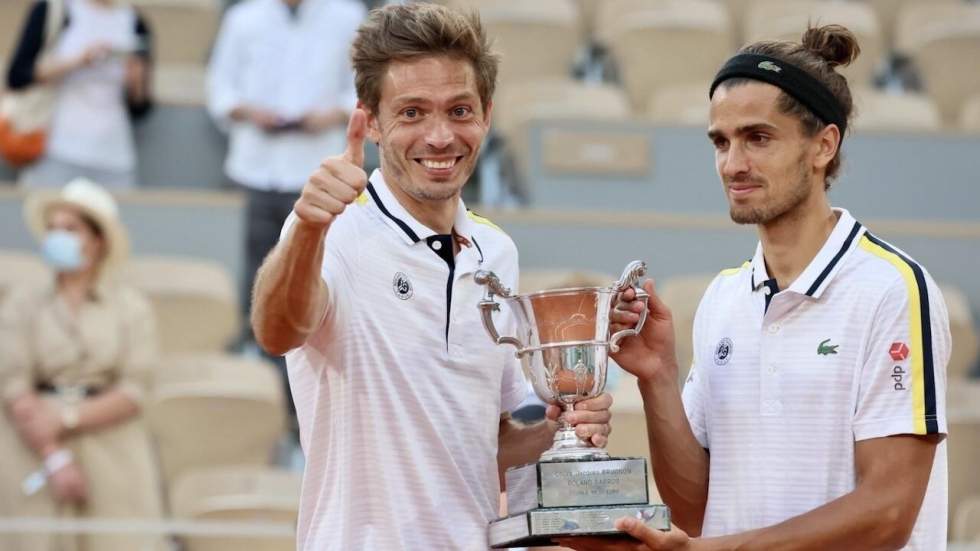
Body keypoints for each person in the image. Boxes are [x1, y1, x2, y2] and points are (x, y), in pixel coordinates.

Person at [561, 25, 950, 551]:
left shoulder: (892, 289)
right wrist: (657, 378)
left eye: (757, 138)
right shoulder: (722, 298)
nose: (732, 164)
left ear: (823, 146)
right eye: (721, 142)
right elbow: (697, 508)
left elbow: (887, 513)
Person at [249, 4, 613, 549]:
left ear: (486, 114)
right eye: (413, 113)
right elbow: (277, 331)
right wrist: (306, 226)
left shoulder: (497, 253)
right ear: (371, 121)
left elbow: (480, 451)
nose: (441, 137)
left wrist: (559, 433)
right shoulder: (333, 230)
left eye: (459, 111)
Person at [206, 0, 365, 427]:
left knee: (322, 283)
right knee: (262, 287)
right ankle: (267, 409)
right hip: (254, 171)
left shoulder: (347, 16)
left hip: (319, 171)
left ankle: (310, 412)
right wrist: (249, 110)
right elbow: (220, 89)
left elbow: (363, 90)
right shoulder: (243, 18)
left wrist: (332, 113)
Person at [0, 178, 166, 551]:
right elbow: (13, 382)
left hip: (112, 448)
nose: (58, 237)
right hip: (29, 448)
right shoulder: (23, 302)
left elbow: (135, 387)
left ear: (98, 240)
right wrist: (53, 454)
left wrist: (67, 419)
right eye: (53, 229)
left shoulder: (131, 308)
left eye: (70, 229)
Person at [8, 0, 153, 189]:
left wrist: (136, 81)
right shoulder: (55, 10)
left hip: (113, 153)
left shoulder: (134, 21)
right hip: (55, 148)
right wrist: (79, 61)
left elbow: (140, 107)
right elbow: (17, 76)